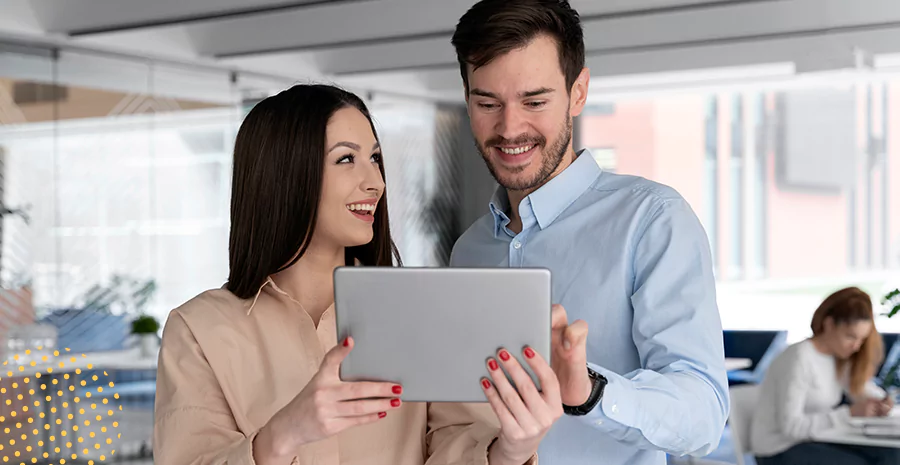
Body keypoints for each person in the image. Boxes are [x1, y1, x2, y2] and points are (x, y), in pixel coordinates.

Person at [152, 83, 568, 465]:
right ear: (283, 173)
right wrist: (283, 434)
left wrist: (509, 450)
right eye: (347, 159)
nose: (376, 182)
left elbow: (453, 442)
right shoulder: (198, 330)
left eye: (375, 159)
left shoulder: (417, 311)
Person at [448, 1, 730, 464]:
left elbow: (703, 415)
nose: (510, 128)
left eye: (535, 101)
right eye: (487, 103)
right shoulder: (469, 250)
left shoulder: (652, 219)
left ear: (578, 93)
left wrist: (589, 392)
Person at [751, 287, 899, 465]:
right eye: (851, 337)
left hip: (815, 439)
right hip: (778, 449)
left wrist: (881, 400)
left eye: (861, 339)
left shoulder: (836, 356)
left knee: (892, 454)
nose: (856, 346)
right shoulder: (799, 358)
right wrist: (849, 413)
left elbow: (858, 388)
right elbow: (791, 428)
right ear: (829, 324)